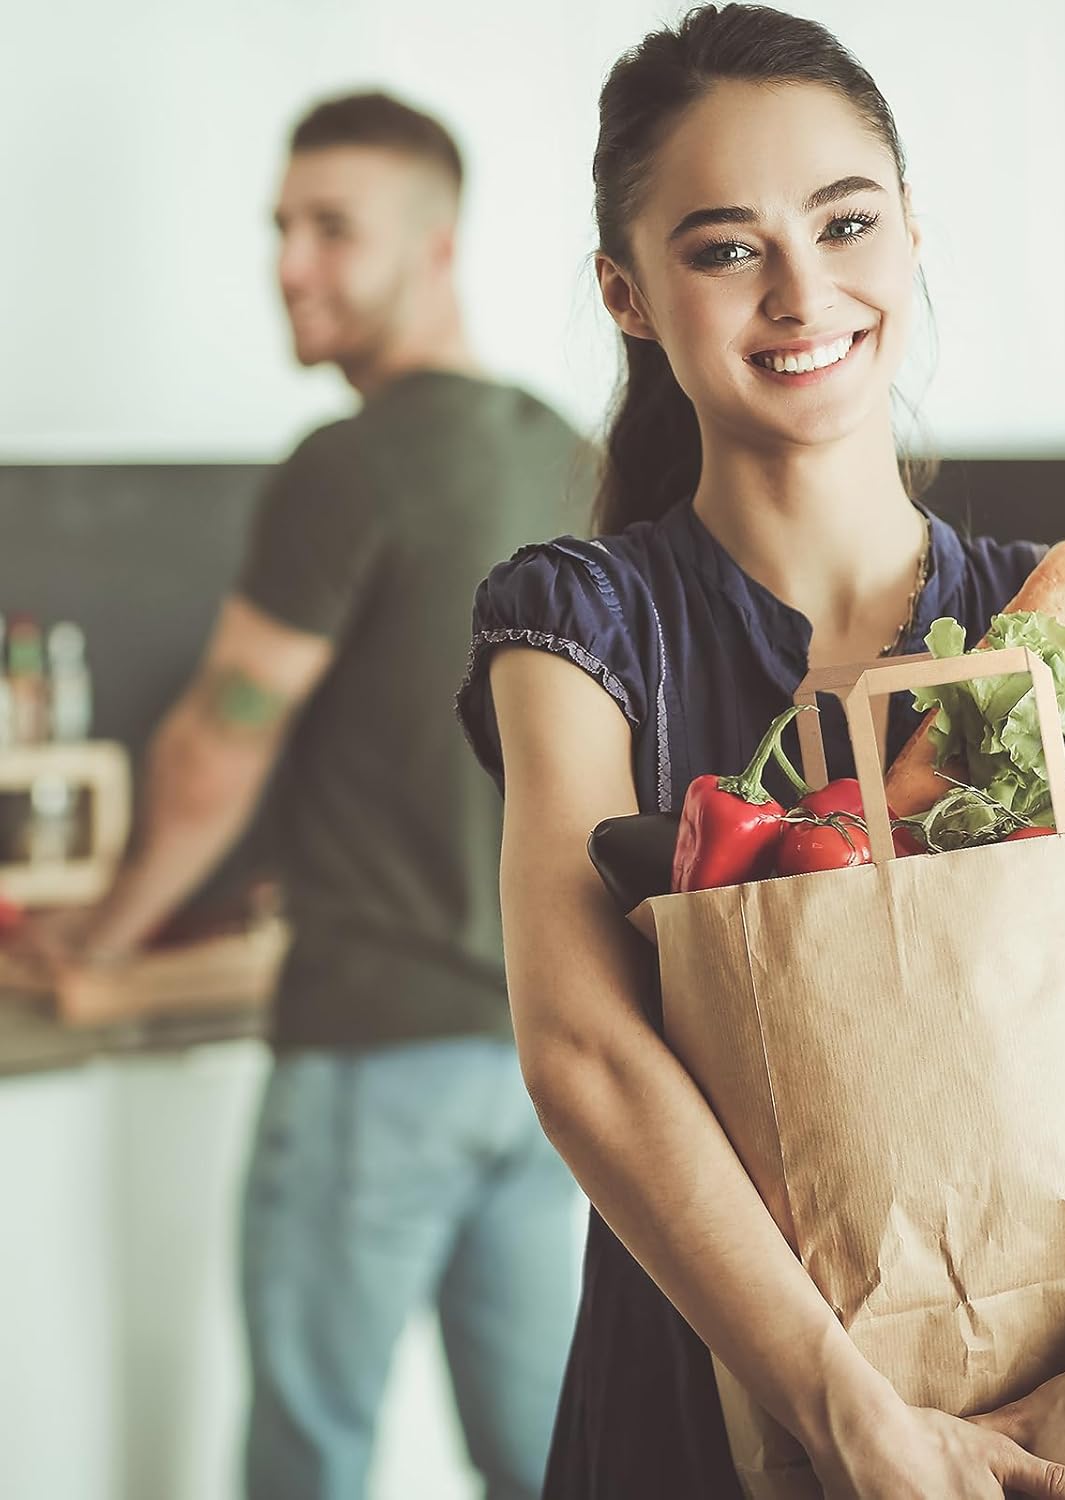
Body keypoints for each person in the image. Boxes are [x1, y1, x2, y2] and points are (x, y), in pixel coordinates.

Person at [456, 7, 1065, 1497]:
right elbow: (583, 1054)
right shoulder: (583, 627)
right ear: (629, 293)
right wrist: (844, 1412)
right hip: (706, 1421)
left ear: (915, 231)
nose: (803, 290)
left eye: (846, 220)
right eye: (724, 247)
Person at [32, 92, 586, 1499]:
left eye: (333, 229)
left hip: (371, 1054)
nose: (293, 263)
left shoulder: (348, 465)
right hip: (547, 1064)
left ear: (436, 244)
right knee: (543, 1459)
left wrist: (96, 937)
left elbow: (219, 747)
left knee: (310, 1455)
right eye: (282, 227)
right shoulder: (568, 450)